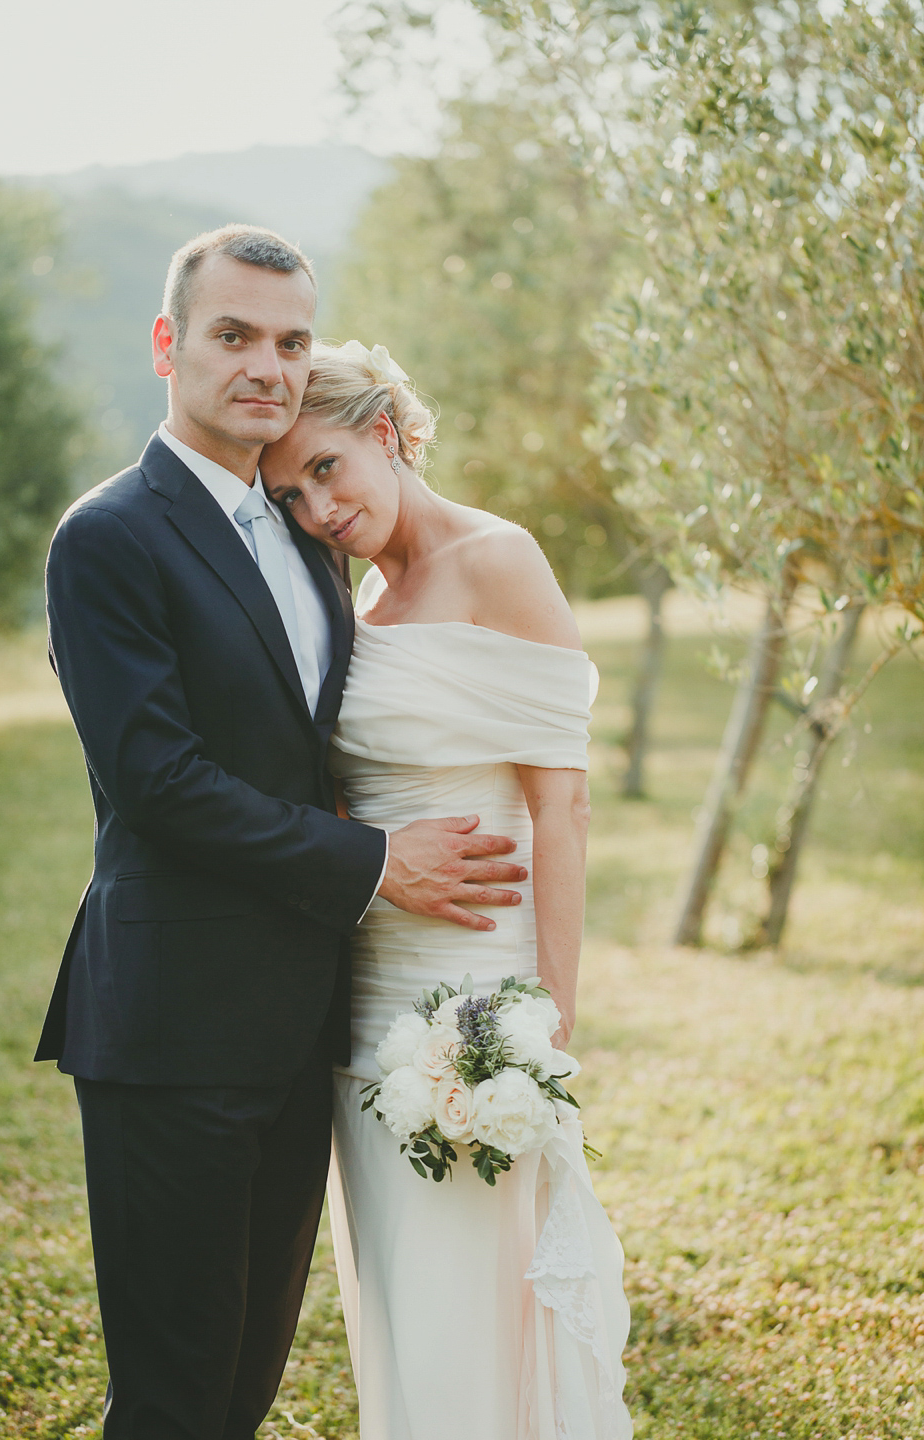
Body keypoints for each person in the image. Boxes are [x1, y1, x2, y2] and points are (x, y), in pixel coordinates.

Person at [35, 226, 529, 1440]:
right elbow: (159, 780)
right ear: (170, 345)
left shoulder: (306, 539)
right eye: (235, 335)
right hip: (172, 1030)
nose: (268, 364)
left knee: (246, 1384)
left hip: (303, 1027)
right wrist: (377, 862)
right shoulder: (107, 537)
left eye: (293, 342)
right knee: (173, 1393)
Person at [261, 339, 633, 1440]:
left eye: (327, 467)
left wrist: (551, 1022)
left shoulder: (499, 559)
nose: (319, 506)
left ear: (384, 431)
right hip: (369, 994)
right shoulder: (348, 599)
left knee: (478, 1291)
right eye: (291, 493)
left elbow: (560, 808)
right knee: (406, 1302)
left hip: (480, 980)